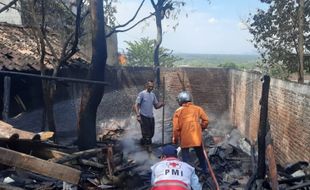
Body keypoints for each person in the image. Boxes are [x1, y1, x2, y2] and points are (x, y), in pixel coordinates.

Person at [172, 91, 209, 174]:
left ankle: (186, 173)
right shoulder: (198, 109)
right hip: (196, 137)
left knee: (185, 157)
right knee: (200, 155)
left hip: (185, 138)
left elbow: (175, 128)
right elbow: (206, 121)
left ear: (181, 100)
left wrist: (175, 139)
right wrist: (201, 127)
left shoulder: (178, 111)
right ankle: (205, 170)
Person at [134, 80, 164, 145]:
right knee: (147, 134)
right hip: (143, 116)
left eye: (152, 87)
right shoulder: (142, 94)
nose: (151, 88)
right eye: (150, 86)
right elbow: (136, 105)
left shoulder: (153, 95)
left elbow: (156, 106)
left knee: (151, 133)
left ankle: (142, 142)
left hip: (151, 117)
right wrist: (138, 115)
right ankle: (148, 148)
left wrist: (161, 104)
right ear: (146, 86)